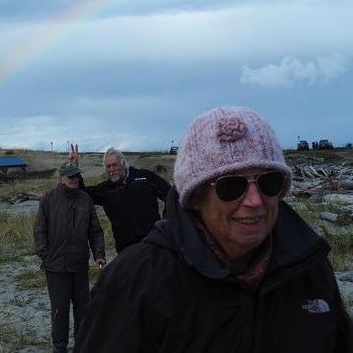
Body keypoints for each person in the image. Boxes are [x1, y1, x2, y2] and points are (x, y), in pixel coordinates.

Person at [75, 106, 353, 352]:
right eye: (231, 186)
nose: (255, 201)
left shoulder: (308, 266)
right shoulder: (132, 285)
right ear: (196, 196)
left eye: (269, 182)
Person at [34, 160, 106, 353]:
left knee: (83, 307)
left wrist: (99, 255)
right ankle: (59, 347)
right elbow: (39, 230)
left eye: (77, 176)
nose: (75, 179)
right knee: (60, 308)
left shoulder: (85, 199)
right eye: (71, 176)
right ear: (61, 178)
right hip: (55, 267)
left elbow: (95, 231)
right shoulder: (48, 198)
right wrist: (45, 255)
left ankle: (82, 344)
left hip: (79, 265)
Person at [68, 145, 170, 253]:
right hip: (127, 250)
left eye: (114, 165)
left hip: (155, 243)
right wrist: (74, 167)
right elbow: (82, 193)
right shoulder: (105, 190)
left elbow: (170, 193)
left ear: (123, 163)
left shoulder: (145, 177)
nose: (112, 170)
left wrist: (166, 223)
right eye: (108, 167)